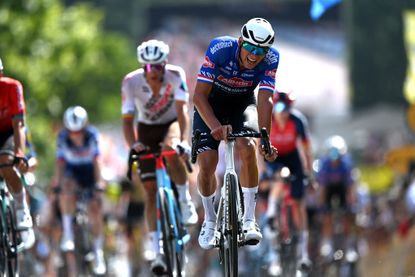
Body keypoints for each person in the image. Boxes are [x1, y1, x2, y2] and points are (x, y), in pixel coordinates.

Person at [192, 17, 279, 250]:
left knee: (248, 147)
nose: (254, 55)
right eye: (250, 47)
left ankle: (250, 220)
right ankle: (209, 221)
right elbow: (198, 96)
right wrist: (214, 126)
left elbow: (265, 98)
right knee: (208, 162)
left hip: (242, 103)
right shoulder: (220, 48)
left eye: (261, 51)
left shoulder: (272, 58)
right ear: (240, 42)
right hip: (211, 103)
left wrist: (265, 137)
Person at [121, 39, 198, 275]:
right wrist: (134, 145)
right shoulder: (130, 82)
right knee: (150, 191)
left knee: (170, 149)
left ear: (165, 64)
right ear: (142, 67)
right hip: (146, 128)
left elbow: (183, 111)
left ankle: (184, 201)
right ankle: (156, 250)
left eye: (158, 66)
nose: (154, 72)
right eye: (148, 67)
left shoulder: (176, 75)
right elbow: (127, 120)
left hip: (170, 124)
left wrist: (183, 140)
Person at [261, 91, 313, 268]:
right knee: (281, 175)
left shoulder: (297, 121)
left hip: (292, 157)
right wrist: (262, 171)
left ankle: (303, 253)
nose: (284, 112)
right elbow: (257, 149)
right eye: (280, 107)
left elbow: (306, 149)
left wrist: (309, 172)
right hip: (274, 158)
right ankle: (271, 213)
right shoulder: (268, 122)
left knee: (299, 202)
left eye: (288, 108)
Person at [53, 106, 106, 275]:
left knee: (95, 208)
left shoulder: (92, 135)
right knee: (65, 188)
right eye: (72, 132)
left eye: (79, 131)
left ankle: (98, 252)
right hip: (72, 172)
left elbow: (97, 160)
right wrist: (58, 184)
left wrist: (99, 184)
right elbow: (60, 163)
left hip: (90, 172)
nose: (75, 135)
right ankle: (68, 233)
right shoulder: (62, 137)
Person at [0, 57, 36, 249]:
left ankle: (21, 206)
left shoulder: (12, 87)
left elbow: (19, 124)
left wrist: (19, 152)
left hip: (8, 131)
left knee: (6, 162)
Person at [317, 135, 357, 260]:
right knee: (327, 215)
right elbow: (322, 188)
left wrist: (351, 205)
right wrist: (322, 206)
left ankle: (349, 246)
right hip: (329, 189)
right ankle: (327, 242)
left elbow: (350, 187)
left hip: (342, 188)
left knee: (347, 215)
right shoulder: (324, 165)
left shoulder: (346, 165)